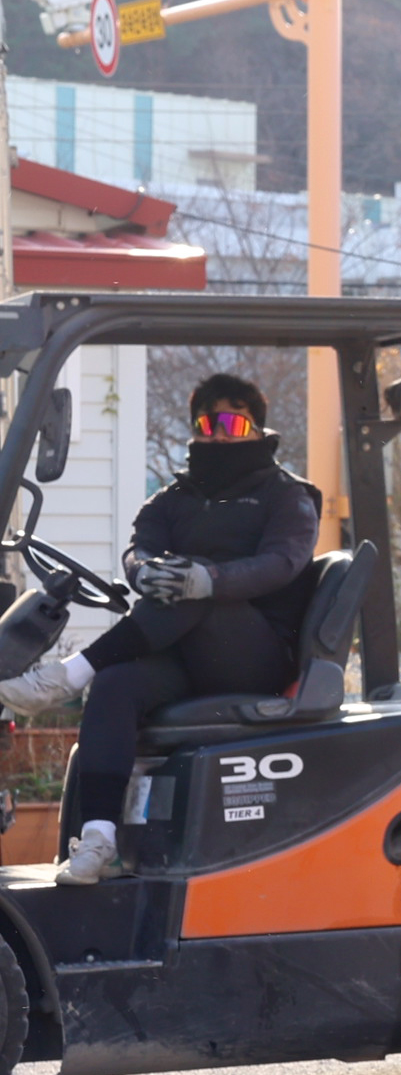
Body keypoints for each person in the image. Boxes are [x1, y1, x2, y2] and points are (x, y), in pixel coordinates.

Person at [1, 374, 323, 887]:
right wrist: (144, 571)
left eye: (231, 421)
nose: (217, 433)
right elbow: (139, 547)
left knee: (193, 584)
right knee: (116, 684)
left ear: (256, 429)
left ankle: (68, 674)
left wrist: (209, 578)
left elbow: (282, 563)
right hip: (183, 655)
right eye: (206, 422)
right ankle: (99, 840)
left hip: (254, 655)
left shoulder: (287, 497)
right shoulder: (174, 498)